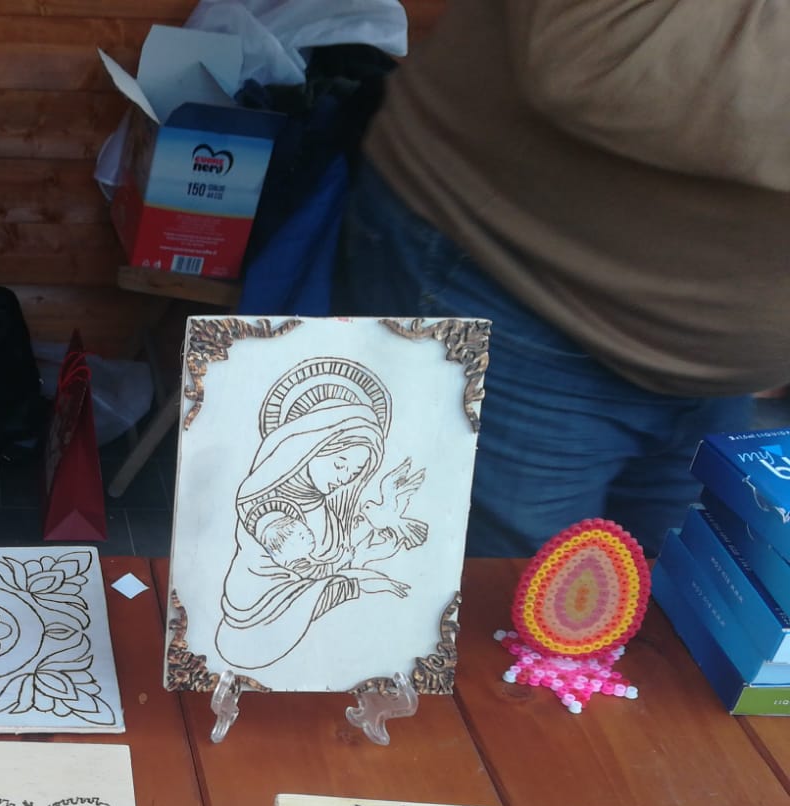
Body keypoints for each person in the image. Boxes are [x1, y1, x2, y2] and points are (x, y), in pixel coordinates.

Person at [331, 1, 787, 557]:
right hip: (519, 291)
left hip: (725, 372)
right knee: (467, 598)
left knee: (664, 602)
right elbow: (603, 50)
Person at [217, 394, 411, 671]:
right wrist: (356, 583)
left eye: (355, 472)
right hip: (262, 611)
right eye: (340, 464)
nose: (345, 477)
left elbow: (328, 563)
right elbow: (295, 560)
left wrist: (366, 553)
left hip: (310, 618)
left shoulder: (320, 505)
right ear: (310, 448)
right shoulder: (270, 504)